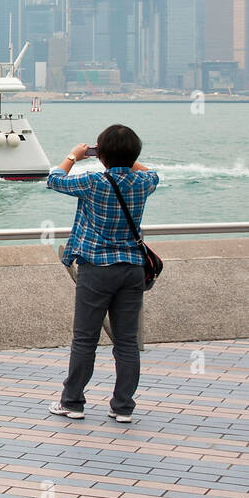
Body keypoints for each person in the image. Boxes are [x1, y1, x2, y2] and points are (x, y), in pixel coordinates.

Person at [47, 125, 158, 423]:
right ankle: (122, 407)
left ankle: (72, 402)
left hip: (97, 268)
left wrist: (75, 155)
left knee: (85, 339)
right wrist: (124, 158)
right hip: (132, 268)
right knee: (126, 340)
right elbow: (149, 171)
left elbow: (54, 178)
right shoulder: (143, 181)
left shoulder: (94, 181)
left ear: (102, 155)